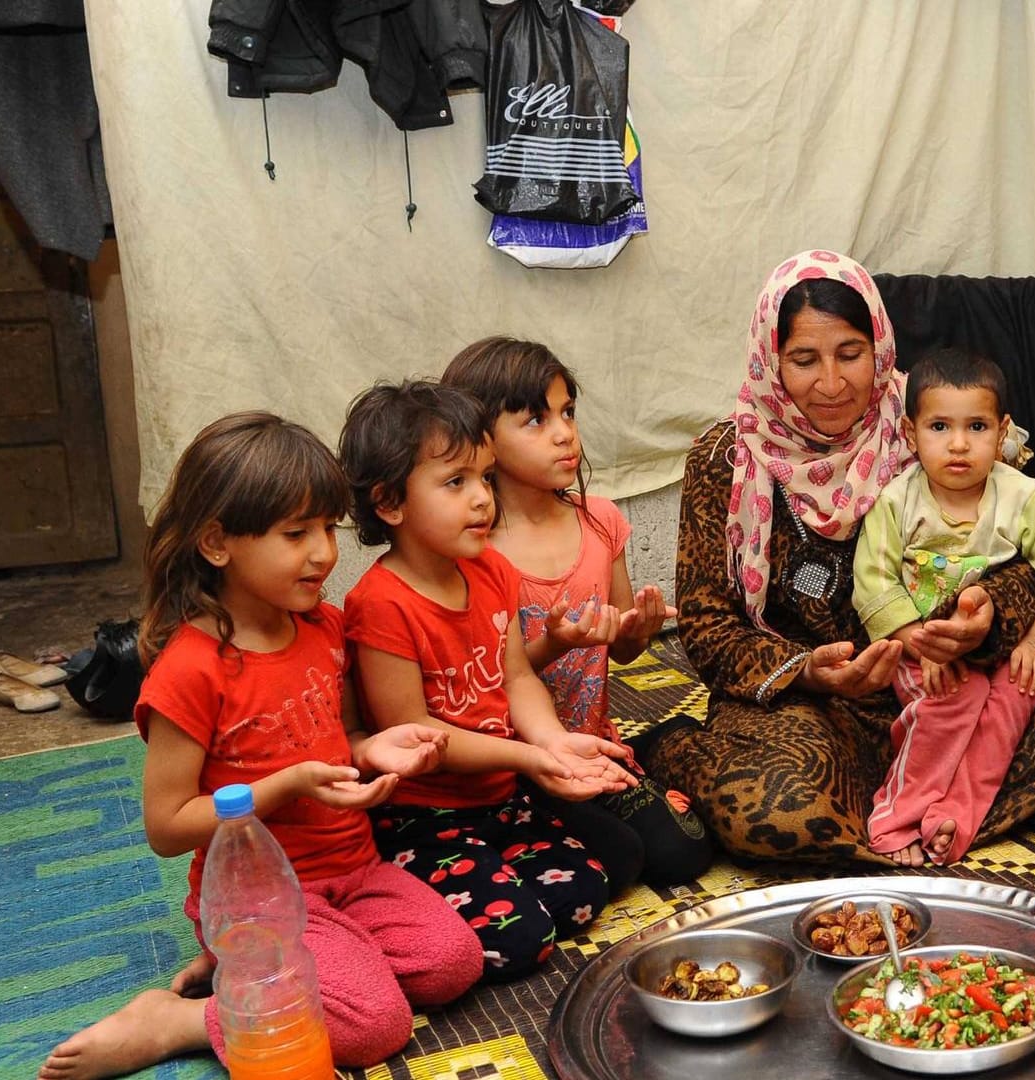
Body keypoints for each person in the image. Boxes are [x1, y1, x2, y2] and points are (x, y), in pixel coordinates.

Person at [639, 249, 1035, 863]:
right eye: (803, 360)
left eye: (850, 354)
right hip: (806, 708)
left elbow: (1029, 561)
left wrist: (982, 621)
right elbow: (708, 623)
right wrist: (809, 670)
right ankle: (685, 750)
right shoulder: (726, 459)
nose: (831, 382)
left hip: (941, 685)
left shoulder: (935, 420)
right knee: (773, 813)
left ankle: (905, 815)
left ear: (880, 346)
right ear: (770, 359)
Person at [40, 413, 481, 1080]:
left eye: (328, 528)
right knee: (375, 1024)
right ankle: (182, 1019)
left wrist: (375, 748)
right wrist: (288, 786)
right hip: (262, 894)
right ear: (217, 543)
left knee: (454, 962)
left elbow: (344, 737)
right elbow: (166, 827)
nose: (324, 553)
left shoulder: (324, 629)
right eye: (295, 533)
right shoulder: (192, 670)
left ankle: (256, 971)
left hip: (354, 871)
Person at [338, 380, 641, 981]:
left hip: (503, 798)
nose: (483, 499)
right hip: (427, 815)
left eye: (483, 476)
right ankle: (384, 904)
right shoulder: (379, 604)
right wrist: (530, 756)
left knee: (590, 887)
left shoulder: (489, 570)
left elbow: (518, 677)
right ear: (390, 503)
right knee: (521, 943)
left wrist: (552, 742)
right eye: (456, 483)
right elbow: (414, 731)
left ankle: (485, 876)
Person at [440, 336, 713, 885]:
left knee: (684, 854)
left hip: (594, 739)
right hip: (514, 763)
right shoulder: (475, 551)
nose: (565, 433)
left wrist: (638, 628)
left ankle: (642, 752)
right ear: (481, 440)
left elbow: (627, 653)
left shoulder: (600, 521)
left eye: (567, 412)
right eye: (535, 420)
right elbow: (493, 684)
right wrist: (556, 643)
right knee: (617, 861)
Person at [853, 346, 1035, 866]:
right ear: (911, 434)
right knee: (959, 697)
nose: (959, 444)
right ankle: (896, 815)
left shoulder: (1028, 499)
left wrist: (1034, 644)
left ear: (1002, 431)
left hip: (1000, 649)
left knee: (1011, 698)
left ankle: (955, 816)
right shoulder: (897, 503)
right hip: (921, 652)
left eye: (977, 427)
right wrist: (921, 643)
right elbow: (873, 583)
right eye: (939, 427)